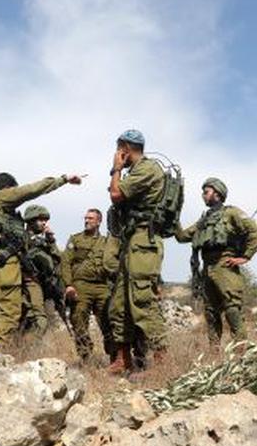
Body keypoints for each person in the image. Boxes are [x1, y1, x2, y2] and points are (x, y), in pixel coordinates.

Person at [0, 171, 81, 351]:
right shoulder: (1, 197)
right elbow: (32, 190)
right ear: (8, 187)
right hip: (3, 258)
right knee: (9, 308)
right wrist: (64, 179)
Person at [106, 129, 167, 373]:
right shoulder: (136, 172)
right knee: (119, 305)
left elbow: (115, 194)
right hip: (131, 242)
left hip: (144, 240)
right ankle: (123, 360)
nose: (117, 154)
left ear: (126, 148)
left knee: (143, 301)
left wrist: (116, 169)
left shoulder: (147, 168)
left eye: (119, 149)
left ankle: (164, 364)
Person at [176, 177, 257, 346]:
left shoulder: (231, 213)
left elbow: (255, 232)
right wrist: (174, 216)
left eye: (206, 192)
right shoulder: (204, 220)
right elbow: (182, 236)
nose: (203, 195)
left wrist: (245, 256)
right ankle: (214, 355)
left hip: (225, 266)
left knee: (232, 310)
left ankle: (241, 354)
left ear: (217, 193)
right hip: (207, 269)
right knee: (210, 313)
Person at [61, 208, 114, 361]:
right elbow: (65, 262)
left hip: (102, 286)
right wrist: (68, 285)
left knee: (108, 320)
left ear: (99, 221)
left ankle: (114, 356)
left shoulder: (106, 242)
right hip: (81, 286)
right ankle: (86, 356)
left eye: (90, 218)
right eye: (85, 218)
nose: (86, 221)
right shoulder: (76, 239)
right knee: (78, 320)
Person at [20, 204, 64, 334]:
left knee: (45, 320)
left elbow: (57, 259)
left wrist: (51, 240)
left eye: (46, 220)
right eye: (41, 219)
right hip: (25, 284)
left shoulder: (45, 240)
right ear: (31, 221)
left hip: (44, 285)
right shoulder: (22, 237)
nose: (44, 223)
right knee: (36, 320)